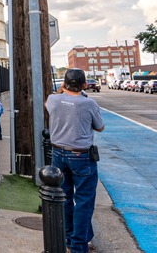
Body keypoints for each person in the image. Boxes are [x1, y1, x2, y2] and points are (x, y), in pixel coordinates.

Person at [47, 68, 105, 253]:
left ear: (64, 84)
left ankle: (68, 237)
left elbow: (55, 98)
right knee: (84, 201)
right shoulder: (88, 103)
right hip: (81, 155)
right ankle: (79, 245)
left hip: (58, 154)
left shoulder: (53, 100)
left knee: (64, 197)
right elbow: (100, 127)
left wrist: (63, 91)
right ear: (84, 85)